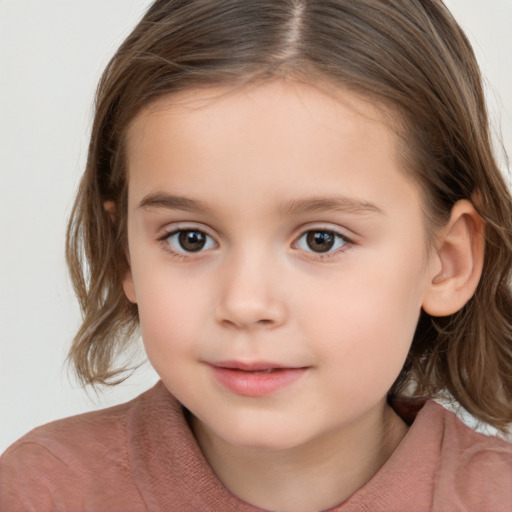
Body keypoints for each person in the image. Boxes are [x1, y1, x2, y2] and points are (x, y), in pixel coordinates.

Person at [2, 0, 512, 510]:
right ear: (124, 255)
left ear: (448, 261)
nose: (245, 303)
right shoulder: (41, 491)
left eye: (321, 240)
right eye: (190, 238)